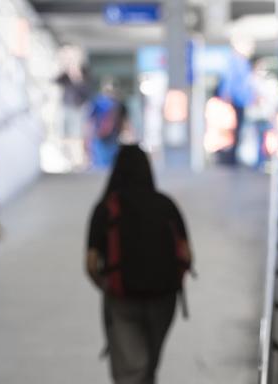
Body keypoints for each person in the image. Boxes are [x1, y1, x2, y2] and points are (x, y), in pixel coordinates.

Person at [86, 145, 193, 384]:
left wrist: (106, 285)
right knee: (149, 364)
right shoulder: (166, 205)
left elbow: (91, 263)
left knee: (130, 371)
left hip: (121, 297)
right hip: (163, 298)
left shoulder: (105, 208)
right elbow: (186, 255)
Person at [216, 36, 255, 166]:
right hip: (234, 102)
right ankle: (228, 159)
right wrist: (227, 98)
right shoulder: (234, 61)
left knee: (237, 130)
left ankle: (231, 158)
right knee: (232, 130)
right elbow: (229, 82)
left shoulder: (241, 62)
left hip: (239, 101)